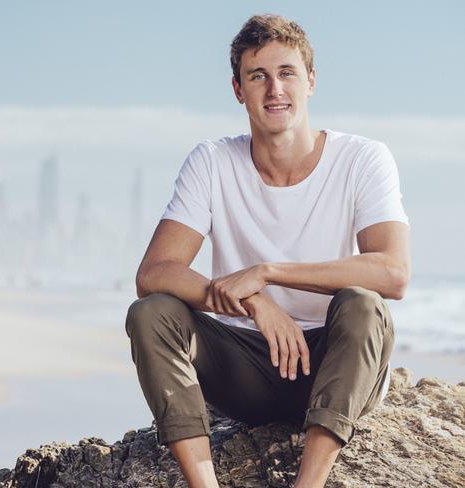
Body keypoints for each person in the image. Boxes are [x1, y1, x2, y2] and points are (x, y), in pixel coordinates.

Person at [124, 13, 410, 488]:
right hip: (246, 367)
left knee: (363, 304)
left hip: (332, 360)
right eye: (258, 76)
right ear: (238, 90)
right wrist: (256, 304)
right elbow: (154, 271)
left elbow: (393, 272)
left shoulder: (363, 158)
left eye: (287, 73)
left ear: (311, 81)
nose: (274, 89)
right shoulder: (212, 161)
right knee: (151, 313)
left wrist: (269, 272)